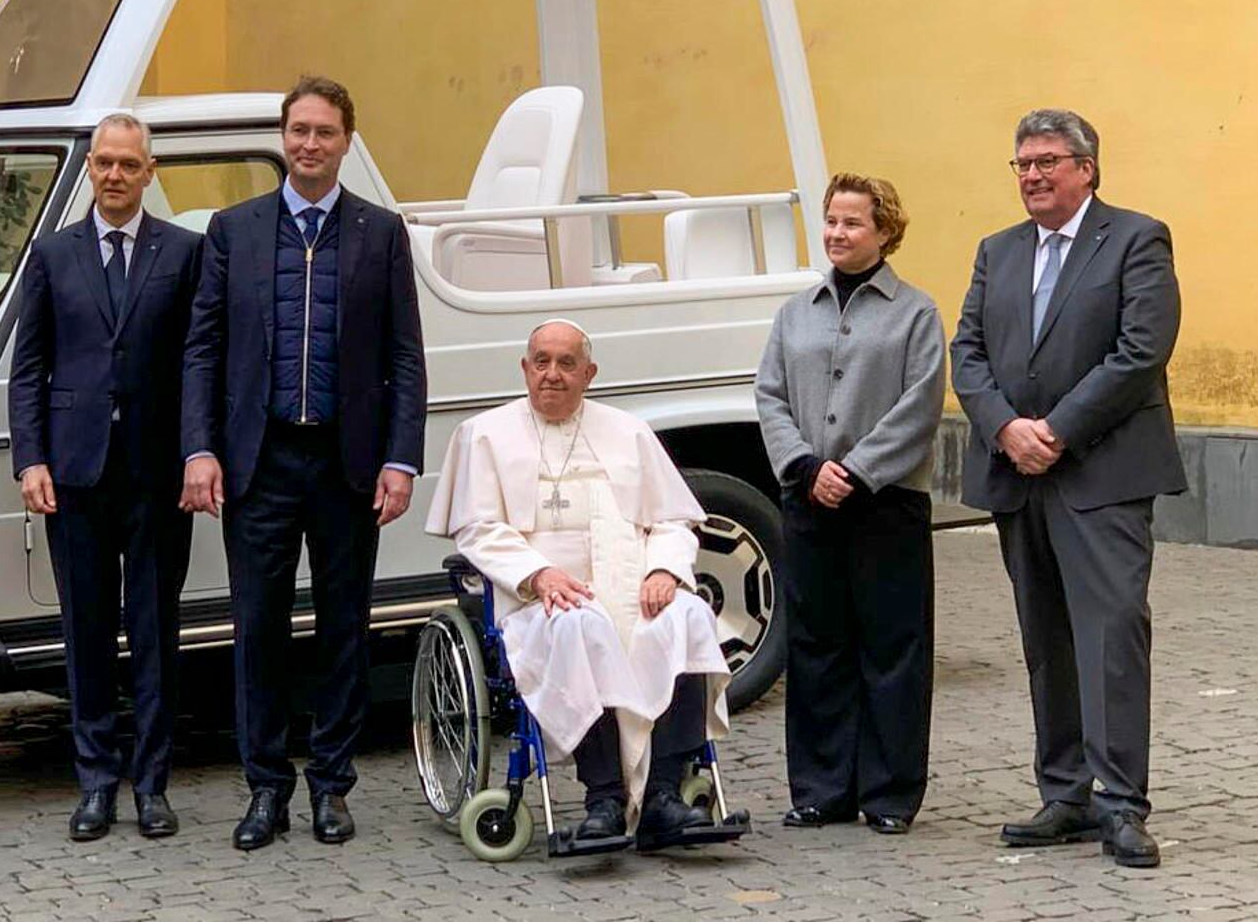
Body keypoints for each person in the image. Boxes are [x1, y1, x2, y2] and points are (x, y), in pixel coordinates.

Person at [180, 75, 427, 850]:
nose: (309, 145)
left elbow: (404, 357)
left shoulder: (381, 234)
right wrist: (200, 447)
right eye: (298, 131)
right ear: (282, 139)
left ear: (347, 142)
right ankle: (264, 788)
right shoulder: (235, 231)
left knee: (343, 629)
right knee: (257, 630)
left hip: (348, 466)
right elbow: (204, 349)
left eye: (324, 132)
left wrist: (401, 460)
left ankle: (332, 786)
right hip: (260, 463)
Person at [950, 108, 1184, 870]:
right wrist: (1005, 429)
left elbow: (1140, 349)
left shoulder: (1137, 238)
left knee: (1112, 635)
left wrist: (1055, 430)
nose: (1033, 175)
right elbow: (970, 352)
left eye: (1048, 161)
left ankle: (1122, 805)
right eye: (1021, 164)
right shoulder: (998, 251)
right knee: (1045, 640)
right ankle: (1066, 794)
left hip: (1102, 474)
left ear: (1087, 167)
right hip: (1020, 476)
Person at [427, 319, 734, 850]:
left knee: (688, 616)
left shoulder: (628, 432)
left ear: (589, 374)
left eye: (567, 364)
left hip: (632, 587)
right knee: (581, 625)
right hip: (537, 600)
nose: (552, 374)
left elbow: (672, 521)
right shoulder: (485, 435)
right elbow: (477, 528)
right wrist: (539, 574)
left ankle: (662, 795)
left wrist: (663, 569)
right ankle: (606, 800)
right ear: (524, 369)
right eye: (541, 362)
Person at [8, 113, 204, 841]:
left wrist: (196, 451)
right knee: (86, 635)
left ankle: (152, 785)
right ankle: (95, 784)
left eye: (129, 164)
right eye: (104, 164)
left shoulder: (184, 253)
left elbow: (197, 364)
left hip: (156, 477)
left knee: (156, 632)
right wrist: (30, 458)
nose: (115, 175)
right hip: (75, 473)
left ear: (149, 172)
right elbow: (29, 367)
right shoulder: (53, 255)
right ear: (88, 170)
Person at [754, 174, 946, 836]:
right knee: (816, 645)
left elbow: (919, 407)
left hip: (886, 504)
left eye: (852, 223)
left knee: (893, 647)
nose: (837, 233)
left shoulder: (915, 314)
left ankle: (890, 794)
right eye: (831, 221)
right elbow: (769, 396)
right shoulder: (794, 313)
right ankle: (820, 788)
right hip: (808, 500)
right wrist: (807, 468)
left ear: (886, 231)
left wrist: (857, 472)